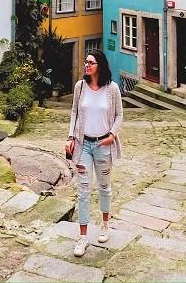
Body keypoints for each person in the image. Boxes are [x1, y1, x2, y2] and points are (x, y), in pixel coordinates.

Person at [64, 50, 123, 257]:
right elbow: (74, 113)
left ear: (100, 65)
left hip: (103, 146)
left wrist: (112, 135)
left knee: (104, 188)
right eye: (85, 62)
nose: (86, 65)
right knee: (83, 191)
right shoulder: (80, 87)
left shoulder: (112, 89)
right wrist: (71, 137)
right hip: (84, 146)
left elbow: (119, 115)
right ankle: (82, 237)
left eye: (90, 62)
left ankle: (105, 224)